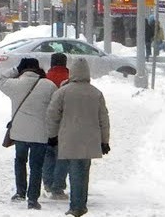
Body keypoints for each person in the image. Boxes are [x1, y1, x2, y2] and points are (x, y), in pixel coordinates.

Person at [45, 58, 109, 217]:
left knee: (74, 172)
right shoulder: (96, 93)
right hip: (89, 140)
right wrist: (104, 141)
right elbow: (104, 120)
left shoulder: (63, 92)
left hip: (69, 138)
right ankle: (81, 204)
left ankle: (76, 206)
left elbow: (52, 115)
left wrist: (52, 135)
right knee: (83, 172)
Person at [0, 57, 55, 209]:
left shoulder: (14, 84)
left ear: (22, 68)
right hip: (40, 134)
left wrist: (15, 70)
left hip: (20, 133)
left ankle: (20, 192)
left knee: (20, 161)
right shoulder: (48, 85)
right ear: (38, 69)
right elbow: (55, 107)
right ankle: (33, 199)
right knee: (37, 166)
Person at [41, 53, 71, 201]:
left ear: (52, 63)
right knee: (62, 157)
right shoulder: (70, 81)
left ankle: (47, 183)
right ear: (65, 64)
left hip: (45, 124)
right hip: (65, 124)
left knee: (48, 155)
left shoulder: (44, 80)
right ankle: (58, 187)